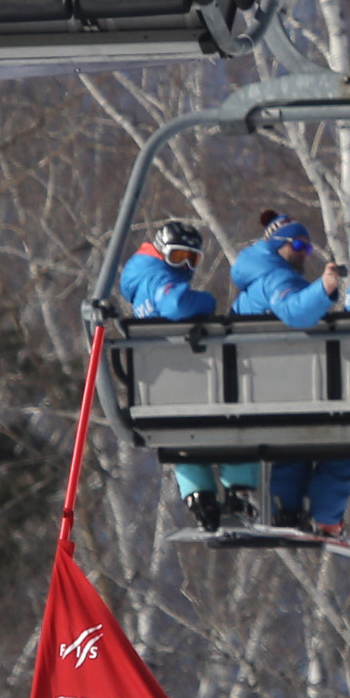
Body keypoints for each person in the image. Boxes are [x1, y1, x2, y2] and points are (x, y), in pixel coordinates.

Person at [230, 209, 350, 535]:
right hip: (284, 384)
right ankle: (325, 517)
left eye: (308, 248)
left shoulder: (260, 277)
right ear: (279, 245)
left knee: (293, 452)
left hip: (265, 383)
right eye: (299, 247)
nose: (305, 254)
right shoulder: (275, 278)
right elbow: (295, 312)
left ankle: (286, 510)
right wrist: (325, 288)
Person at [119, 220, 254, 532]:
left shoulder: (142, 281)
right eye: (178, 256)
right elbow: (176, 304)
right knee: (236, 422)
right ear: (161, 252)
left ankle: (200, 497)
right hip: (190, 375)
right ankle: (240, 492)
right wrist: (207, 303)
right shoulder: (157, 278)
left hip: (162, 383)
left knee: (184, 438)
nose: (186, 266)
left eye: (192, 259)